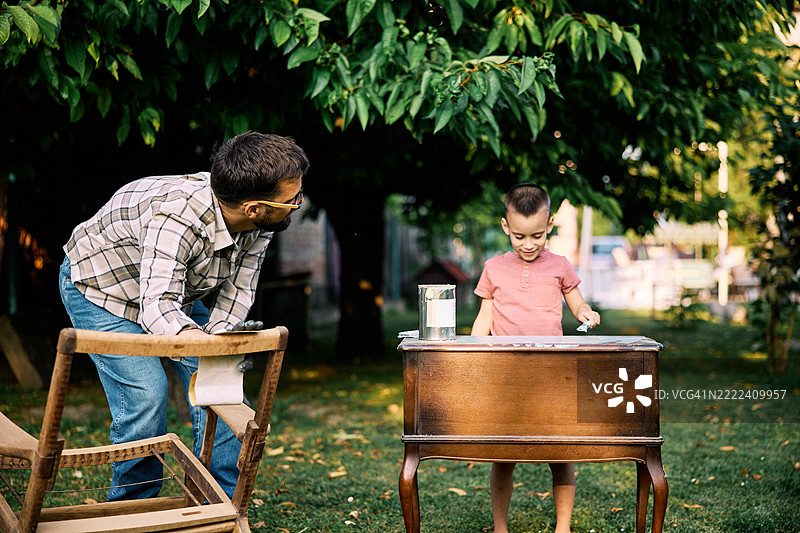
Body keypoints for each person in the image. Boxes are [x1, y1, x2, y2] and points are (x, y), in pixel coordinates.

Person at [58, 131, 309, 501]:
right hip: (101, 289)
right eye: (292, 201)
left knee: (222, 390)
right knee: (147, 395)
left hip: (172, 296)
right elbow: (157, 308)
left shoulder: (262, 223)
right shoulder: (176, 217)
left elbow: (237, 294)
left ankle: (220, 504)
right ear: (253, 207)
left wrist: (221, 347)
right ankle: (135, 508)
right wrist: (200, 347)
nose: (298, 204)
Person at [471, 183, 600, 533]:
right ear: (505, 227)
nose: (528, 245)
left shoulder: (559, 265)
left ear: (551, 223)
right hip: (505, 376)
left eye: (538, 236)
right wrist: (471, 358)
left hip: (552, 375)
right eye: (519, 236)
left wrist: (586, 311)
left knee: (560, 454)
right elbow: (485, 317)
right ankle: (500, 528)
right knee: (504, 456)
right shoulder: (493, 268)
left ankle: (563, 527)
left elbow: (576, 303)